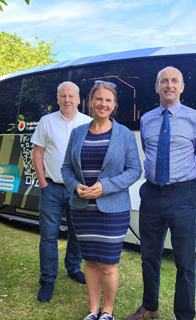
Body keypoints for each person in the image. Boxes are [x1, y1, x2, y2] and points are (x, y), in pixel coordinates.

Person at [126, 66, 196, 320]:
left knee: (185, 260)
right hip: (152, 195)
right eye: (164, 81)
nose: (169, 85)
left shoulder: (195, 118)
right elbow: (148, 151)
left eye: (175, 81)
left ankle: (184, 314)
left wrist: (190, 190)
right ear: (157, 87)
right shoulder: (147, 119)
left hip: (182, 194)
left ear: (182, 87)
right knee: (148, 255)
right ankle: (150, 307)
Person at [61, 81, 142, 320]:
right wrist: (75, 186)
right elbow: (66, 168)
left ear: (114, 105)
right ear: (90, 102)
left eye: (108, 100)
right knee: (90, 262)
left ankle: (108, 311)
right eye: (99, 99)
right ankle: (93, 310)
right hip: (82, 208)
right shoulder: (77, 133)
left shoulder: (124, 134)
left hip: (113, 210)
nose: (103, 104)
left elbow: (134, 170)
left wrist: (105, 187)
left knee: (108, 264)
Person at [31, 81, 92, 302]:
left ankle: (73, 268)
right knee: (48, 236)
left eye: (71, 96)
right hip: (52, 188)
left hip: (77, 189)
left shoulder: (88, 122)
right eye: (63, 96)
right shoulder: (46, 122)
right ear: (57, 99)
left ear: (78, 99)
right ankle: (47, 279)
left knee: (77, 233)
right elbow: (38, 153)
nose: (67, 100)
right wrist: (42, 182)